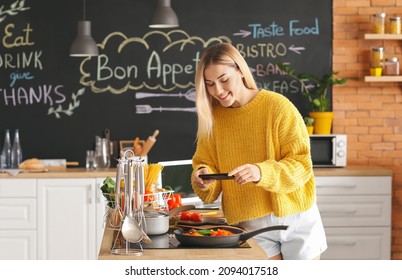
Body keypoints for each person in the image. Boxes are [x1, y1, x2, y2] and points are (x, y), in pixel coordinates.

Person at [191, 43, 327, 260]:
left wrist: (261, 172)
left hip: (296, 218)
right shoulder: (213, 119)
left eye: (223, 79)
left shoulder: (278, 107)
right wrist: (203, 176)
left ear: (240, 71)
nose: (217, 90)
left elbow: (301, 164)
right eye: (209, 84)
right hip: (249, 224)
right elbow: (206, 167)